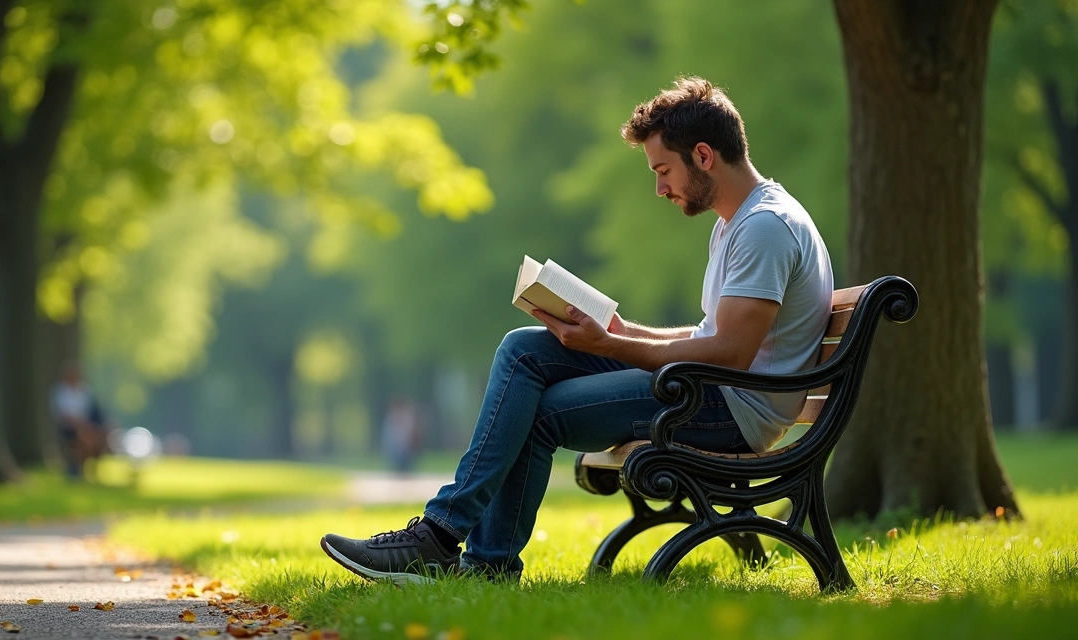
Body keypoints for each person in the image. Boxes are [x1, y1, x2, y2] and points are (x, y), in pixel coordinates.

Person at [320, 77, 834, 585]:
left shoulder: (765, 227)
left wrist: (611, 345)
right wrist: (624, 331)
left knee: (536, 413)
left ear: (703, 156)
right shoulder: (737, 222)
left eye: (663, 171)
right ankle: (452, 542)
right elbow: (711, 335)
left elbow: (731, 352)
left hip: (730, 409)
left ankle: (459, 549)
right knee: (524, 350)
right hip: (707, 388)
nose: (659, 188)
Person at [52, 361, 111, 480]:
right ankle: (81, 467)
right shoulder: (60, 392)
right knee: (85, 437)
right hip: (69, 427)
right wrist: (79, 424)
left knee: (93, 435)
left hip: (86, 426)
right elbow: (63, 415)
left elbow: (94, 412)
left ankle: (84, 464)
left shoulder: (84, 390)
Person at [380, 396, 422, 474]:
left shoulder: (407, 419)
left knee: (406, 469)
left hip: (406, 451)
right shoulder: (391, 419)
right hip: (396, 451)